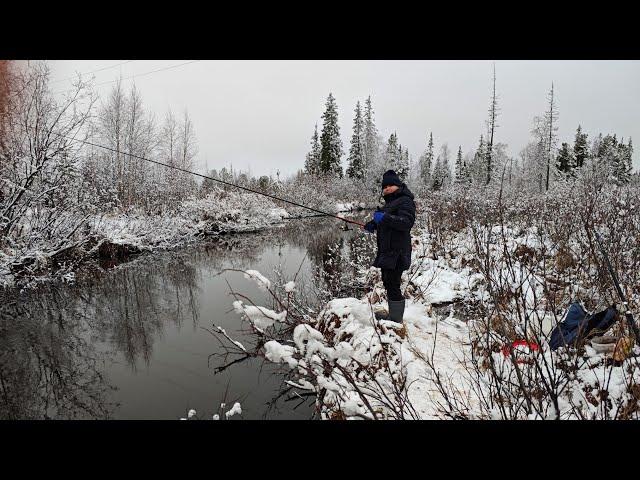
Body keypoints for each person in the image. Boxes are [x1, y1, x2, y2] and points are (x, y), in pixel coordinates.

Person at [363, 170, 416, 323]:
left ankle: (396, 319)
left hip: (397, 252)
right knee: (388, 281)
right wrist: (373, 224)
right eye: (384, 186)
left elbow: (406, 222)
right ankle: (394, 315)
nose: (386, 189)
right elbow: (386, 223)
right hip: (388, 252)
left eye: (390, 185)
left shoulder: (405, 201)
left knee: (392, 283)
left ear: (398, 185)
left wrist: (384, 218)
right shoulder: (390, 204)